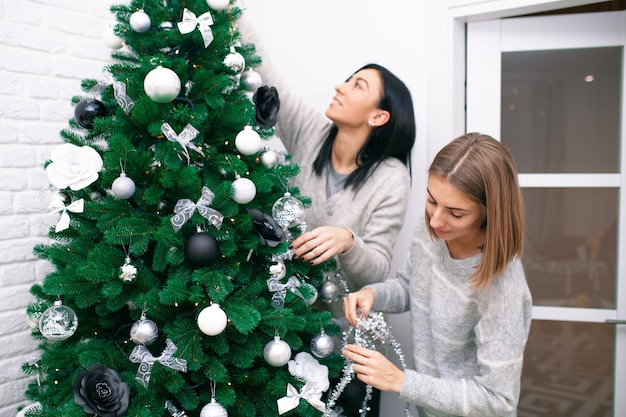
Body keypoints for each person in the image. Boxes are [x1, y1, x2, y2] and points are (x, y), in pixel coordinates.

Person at [238, 15, 416, 417]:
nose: (340, 86)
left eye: (358, 86)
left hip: (351, 353)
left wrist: (347, 241)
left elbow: (377, 273)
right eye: (347, 79)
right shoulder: (308, 133)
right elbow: (267, 69)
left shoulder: (391, 178)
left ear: (379, 116)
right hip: (287, 333)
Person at [342, 132, 532, 417]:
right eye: (431, 200)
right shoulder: (434, 230)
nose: (435, 220)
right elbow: (410, 287)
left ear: (489, 213)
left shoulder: (502, 286)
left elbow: (499, 399)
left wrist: (401, 381)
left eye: (456, 213)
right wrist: (373, 294)